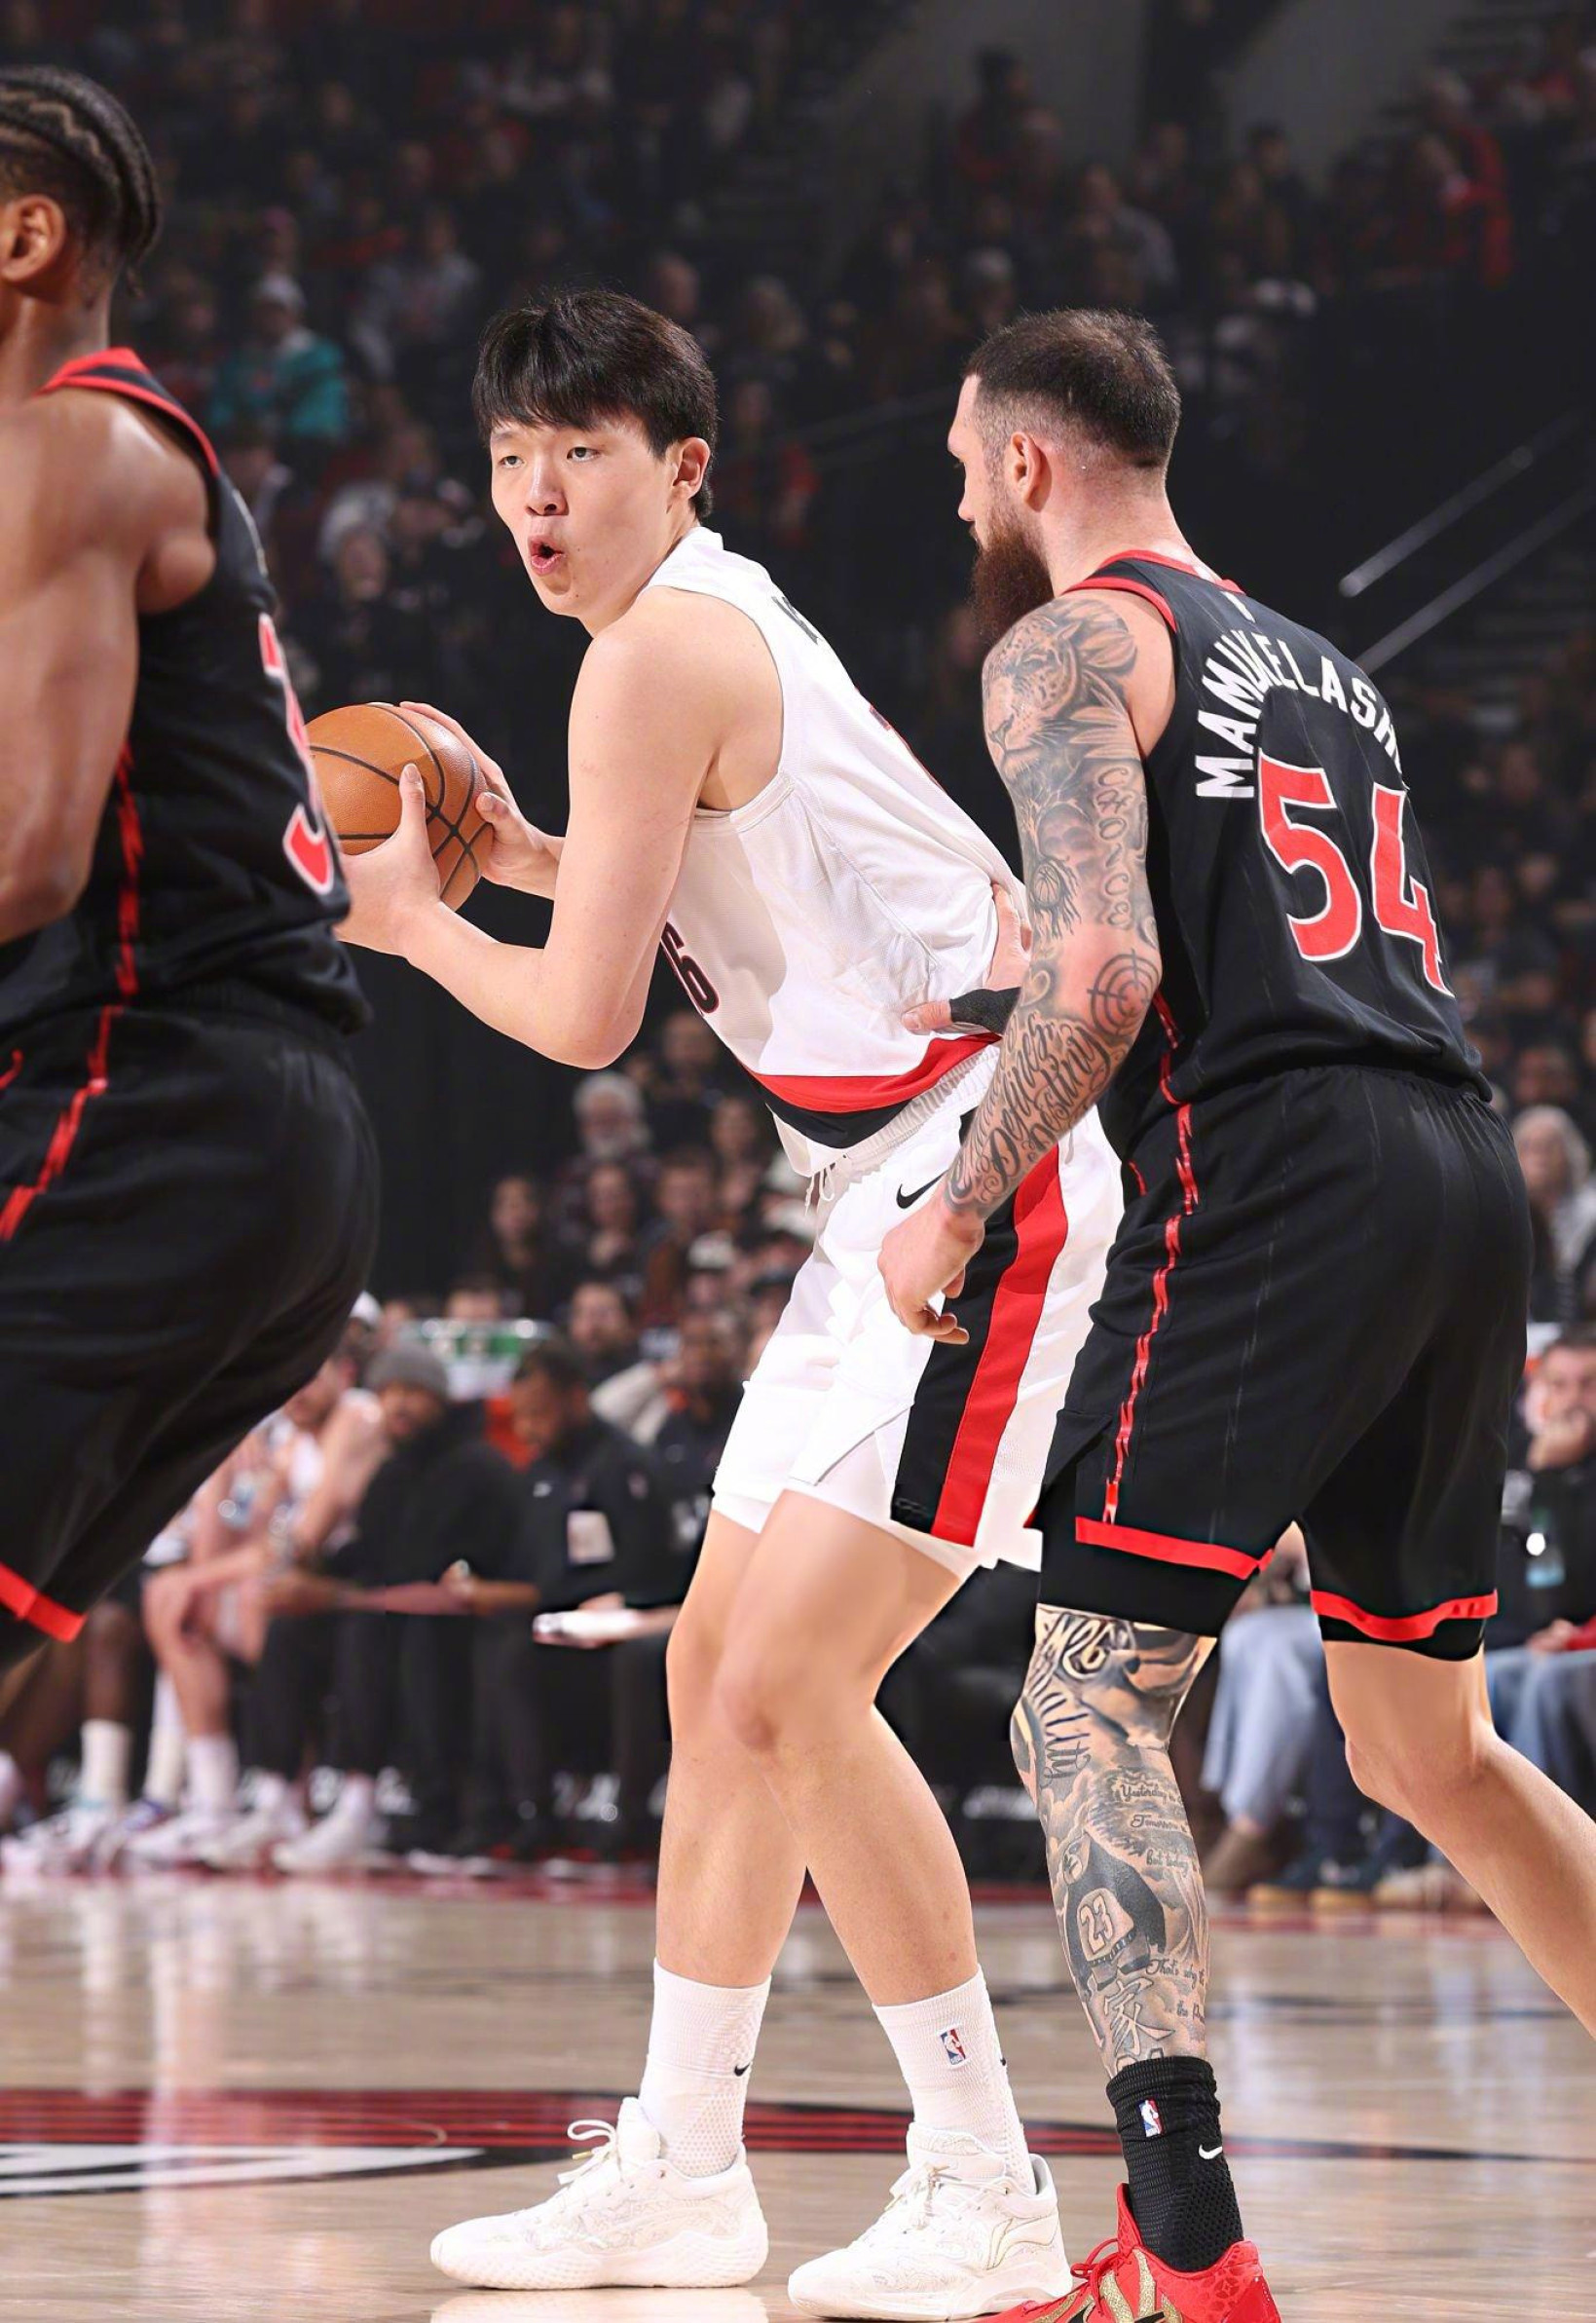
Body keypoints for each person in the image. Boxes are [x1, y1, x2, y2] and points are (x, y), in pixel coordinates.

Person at [340, 286, 1122, 2315]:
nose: (536, 495)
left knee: (790, 1687)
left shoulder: (651, 653)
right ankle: (684, 2164)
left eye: (580, 454)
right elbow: (696, 888)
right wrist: (528, 851)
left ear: (678, 469)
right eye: (510, 457)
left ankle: (986, 2179)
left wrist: (414, 921)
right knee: (716, 1674)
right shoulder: (696, 625)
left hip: (985, 1169)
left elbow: (586, 1021)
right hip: (878, 1188)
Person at [880, 306, 1596, 2323]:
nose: (959, 503)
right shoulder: (1324, 665)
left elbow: (1109, 972)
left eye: (965, 466)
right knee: (1427, 1741)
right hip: (1456, 1159)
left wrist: (958, 1200)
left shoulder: (1066, 646)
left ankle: (1183, 2247)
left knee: (1085, 1690)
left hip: (1279, 1168)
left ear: (1030, 462)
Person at [0, 69, 375, 1689]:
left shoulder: (69, 440)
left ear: (25, 237)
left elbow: (27, 852)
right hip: (254, 1139)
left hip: (151, 1099)